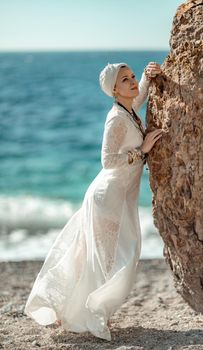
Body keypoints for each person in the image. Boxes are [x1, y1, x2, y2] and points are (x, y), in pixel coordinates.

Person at [24, 61, 163, 341]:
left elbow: (138, 100)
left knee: (99, 256)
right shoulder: (116, 117)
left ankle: (75, 309)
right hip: (107, 196)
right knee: (107, 258)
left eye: (133, 76)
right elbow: (108, 160)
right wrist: (142, 150)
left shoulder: (128, 109)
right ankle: (90, 314)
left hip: (117, 195)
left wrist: (148, 78)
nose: (133, 81)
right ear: (113, 88)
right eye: (126, 80)